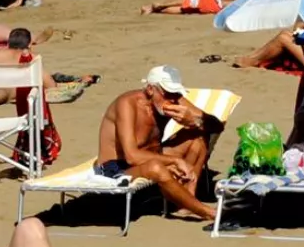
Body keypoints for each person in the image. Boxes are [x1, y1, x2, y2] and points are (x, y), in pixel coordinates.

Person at [93, 65, 220, 220]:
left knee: (197, 139)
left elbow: (216, 126)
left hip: (153, 155)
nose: (172, 99)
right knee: (156, 167)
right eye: (167, 93)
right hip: (115, 167)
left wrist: (195, 121)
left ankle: (186, 201)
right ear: (150, 89)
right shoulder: (127, 104)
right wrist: (175, 160)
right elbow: (131, 157)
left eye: (175, 93)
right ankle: (205, 212)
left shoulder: (173, 99)